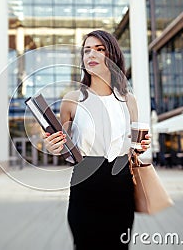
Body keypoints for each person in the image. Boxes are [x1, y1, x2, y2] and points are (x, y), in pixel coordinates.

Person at [44, 30, 151, 249]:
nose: (91, 54)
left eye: (99, 49)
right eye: (87, 50)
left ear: (112, 56)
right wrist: (52, 146)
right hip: (85, 183)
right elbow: (64, 145)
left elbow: (132, 146)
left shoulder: (128, 100)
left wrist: (140, 147)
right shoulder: (72, 100)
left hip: (121, 185)